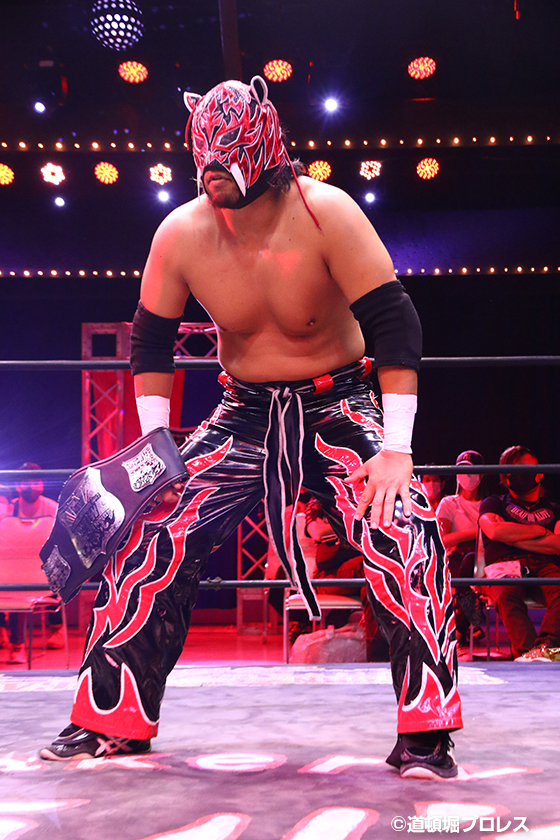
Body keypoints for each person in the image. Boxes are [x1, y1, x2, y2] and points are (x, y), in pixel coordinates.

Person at [40, 76, 461, 778]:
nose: (213, 173)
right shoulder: (182, 232)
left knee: (401, 524)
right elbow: (151, 343)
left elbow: (395, 325)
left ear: (263, 147)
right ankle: (109, 718)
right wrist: (155, 453)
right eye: (204, 159)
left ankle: (427, 730)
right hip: (242, 413)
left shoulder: (328, 213)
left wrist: (396, 449)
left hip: (338, 404)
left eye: (226, 157)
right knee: (151, 529)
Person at [479, 445, 560, 661]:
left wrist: (512, 537)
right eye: (512, 469)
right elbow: (494, 530)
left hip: (544, 564)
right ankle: (527, 655)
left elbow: (558, 544)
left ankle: (545, 649)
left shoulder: (554, 507)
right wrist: (540, 531)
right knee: (507, 595)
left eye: (523, 468)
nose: (517, 474)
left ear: (539, 473)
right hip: (504, 563)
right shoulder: (494, 502)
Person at [0, 463, 60, 663]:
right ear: (18, 485)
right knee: (13, 584)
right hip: (15, 566)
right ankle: (5, 632)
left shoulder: (52, 508)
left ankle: (56, 629)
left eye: (35, 481)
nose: (31, 486)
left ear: (42, 484)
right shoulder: (10, 508)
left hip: (43, 567)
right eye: (26, 481)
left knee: (55, 574)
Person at [436, 450, 487, 649]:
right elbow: (443, 539)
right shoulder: (449, 503)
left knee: (472, 560)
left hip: (483, 560)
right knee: (465, 564)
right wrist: (479, 531)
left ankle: (458, 629)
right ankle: (467, 623)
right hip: (454, 560)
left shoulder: (488, 504)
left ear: (481, 474)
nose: (466, 476)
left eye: (471, 471)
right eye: (462, 471)